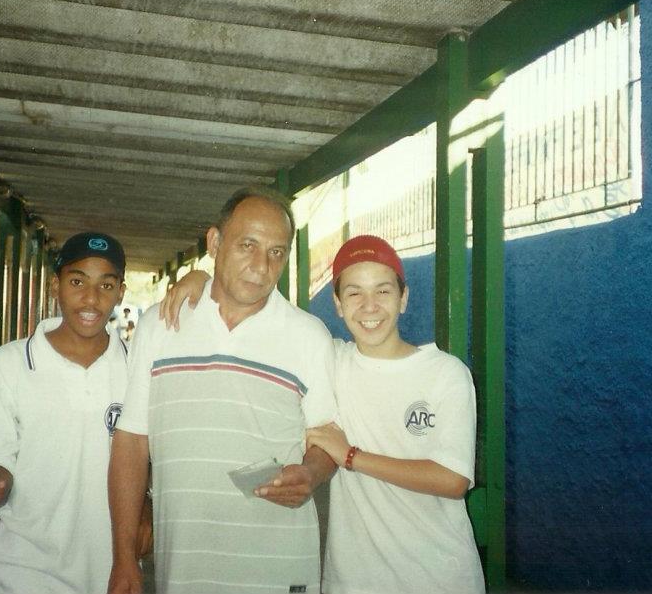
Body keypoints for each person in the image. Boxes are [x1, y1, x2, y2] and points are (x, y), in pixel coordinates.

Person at [164, 235, 485, 593]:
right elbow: (263, 319)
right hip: (353, 580)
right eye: (354, 293)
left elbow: (452, 480)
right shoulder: (331, 359)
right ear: (337, 303)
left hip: (439, 577)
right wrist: (204, 282)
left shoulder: (445, 373)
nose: (369, 306)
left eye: (382, 291)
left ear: (403, 297)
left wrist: (350, 456)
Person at [108, 186, 338, 594]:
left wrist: (312, 473)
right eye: (247, 245)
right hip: (184, 569)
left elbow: (327, 438)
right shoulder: (159, 325)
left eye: (276, 252)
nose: (261, 266)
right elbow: (131, 442)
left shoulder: (308, 336)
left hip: (279, 568)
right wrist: (124, 556)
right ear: (215, 243)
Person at [0, 232, 130, 594]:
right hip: (20, 576)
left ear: (120, 292)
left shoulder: (136, 368)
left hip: (110, 575)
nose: (91, 299)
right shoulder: (9, 364)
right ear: (55, 285)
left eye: (106, 285)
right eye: (77, 282)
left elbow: (147, 461)